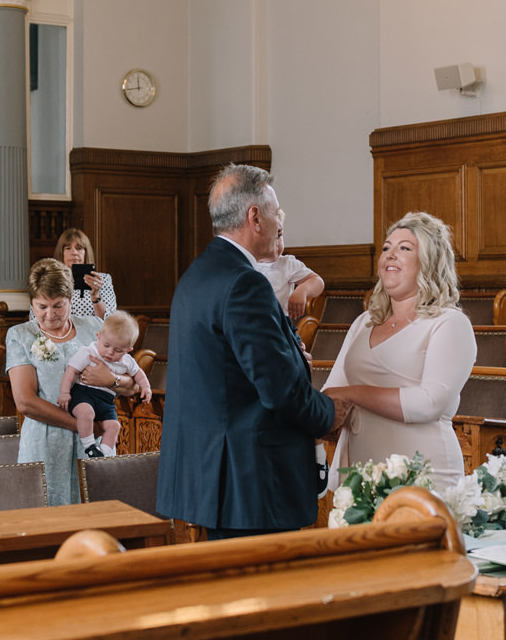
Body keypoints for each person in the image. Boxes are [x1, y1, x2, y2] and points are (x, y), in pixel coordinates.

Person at [156, 164, 349, 538]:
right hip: (250, 483)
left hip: (214, 476)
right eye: (277, 214)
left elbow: (230, 366)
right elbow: (277, 388)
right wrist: (328, 413)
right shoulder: (246, 283)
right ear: (255, 217)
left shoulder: (199, 273)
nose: (281, 224)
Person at [322, 212, 475, 493]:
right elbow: (334, 390)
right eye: (386, 249)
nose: (390, 255)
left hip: (424, 476)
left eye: (404, 248)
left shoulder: (449, 323)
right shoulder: (363, 323)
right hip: (362, 474)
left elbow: (429, 402)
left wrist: (353, 394)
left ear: (428, 261)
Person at [5, 259, 132, 504]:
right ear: (32, 302)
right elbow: (26, 402)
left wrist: (112, 379)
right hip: (46, 443)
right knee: (48, 519)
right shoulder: (21, 335)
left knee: (95, 517)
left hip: (94, 445)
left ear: (71, 299)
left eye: (58, 306)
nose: (49, 314)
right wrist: (82, 426)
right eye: (41, 306)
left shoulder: (94, 327)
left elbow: (132, 383)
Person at [58, 310, 151, 458]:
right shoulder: (89, 352)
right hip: (84, 394)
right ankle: (89, 446)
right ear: (98, 337)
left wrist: (146, 387)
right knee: (86, 413)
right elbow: (71, 371)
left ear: (128, 350)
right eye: (106, 345)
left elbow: (138, 373)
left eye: (118, 350)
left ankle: (103, 454)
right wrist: (64, 393)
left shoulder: (127, 361)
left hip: (107, 401)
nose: (110, 352)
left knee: (114, 426)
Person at [255, 211, 325, 322]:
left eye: (279, 235)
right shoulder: (244, 264)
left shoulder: (286, 264)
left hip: (280, 323)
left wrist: (302, 290)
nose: (277, 242)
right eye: (270, 235)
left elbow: (317, 281)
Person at [56, 228, 118, 320]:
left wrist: (95, 296)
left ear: (86, 253)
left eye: (79, 248)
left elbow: (109, 321)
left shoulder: (102, 279)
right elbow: (37, 320)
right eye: (68, 248)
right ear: (61, 253)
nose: (74, 253)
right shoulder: (51, 280)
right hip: (59, 333)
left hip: (94, 333)